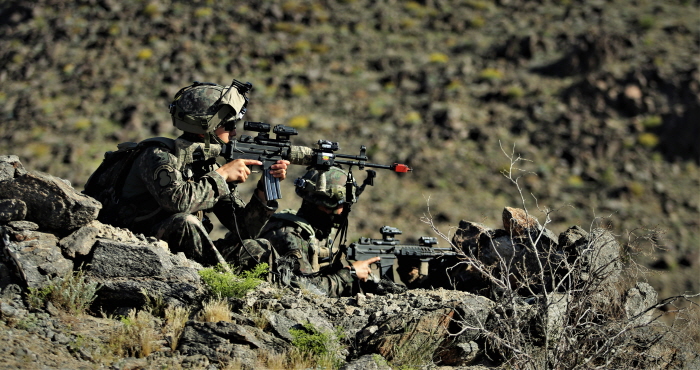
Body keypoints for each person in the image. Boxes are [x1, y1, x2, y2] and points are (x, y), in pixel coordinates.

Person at [88, 80, 289, 266]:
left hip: (177, 250)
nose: (234, 132)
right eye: (229, 126)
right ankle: (223, 285)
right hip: (132, 243)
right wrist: (222, 176)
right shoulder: (157, 155)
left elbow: (244, 229)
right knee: (185, 222)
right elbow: (177, 202)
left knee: (258, 248)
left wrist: (265, 187)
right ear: (205, 127)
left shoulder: (206, 165)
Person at [248, 166, 381, 297]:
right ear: (325, 205)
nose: (343, 211)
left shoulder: (314, 233)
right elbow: (308, 289)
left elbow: (323, 278)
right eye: (342, 204)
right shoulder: (290, 235)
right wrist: (349, 274)